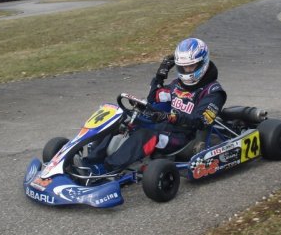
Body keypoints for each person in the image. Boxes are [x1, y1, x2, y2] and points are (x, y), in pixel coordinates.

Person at [85, 37, 227, 173]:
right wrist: (159, 76)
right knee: (120, 122)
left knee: (145, 135)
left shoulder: (213, 92)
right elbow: (153, 100)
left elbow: (201, 121)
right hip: (165, 126)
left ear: (203, 63)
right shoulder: (177, 85)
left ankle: (107, 169)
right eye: (183, 67)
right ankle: (91, 160)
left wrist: (171, 117)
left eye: (191, 66)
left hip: (184, 137)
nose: (187, 71)